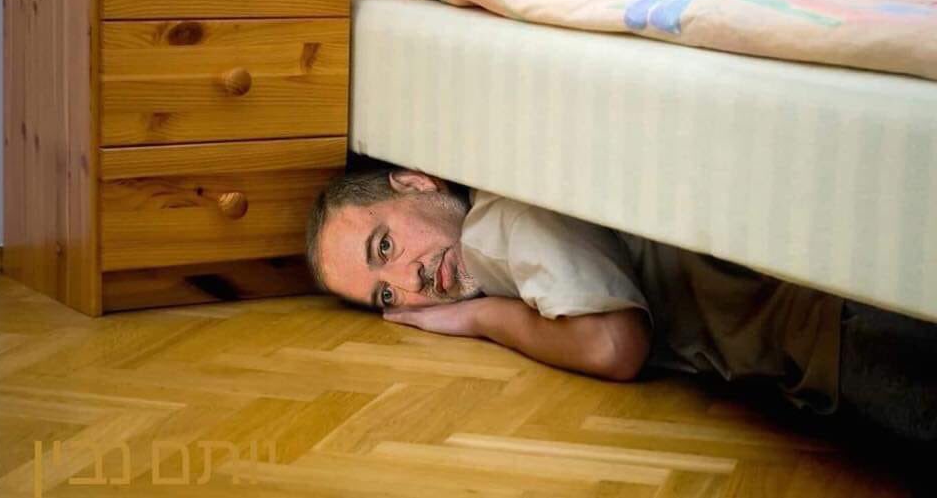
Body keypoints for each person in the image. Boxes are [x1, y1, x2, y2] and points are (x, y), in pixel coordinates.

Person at [306, 167, 937, 442]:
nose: (411, 281)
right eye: (385, 294)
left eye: (384, 245)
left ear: (416, 181)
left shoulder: (500, 222)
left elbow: (615, 345)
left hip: (845, 331)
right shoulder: (487, 245)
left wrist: (479, 317)